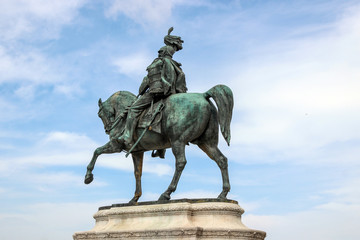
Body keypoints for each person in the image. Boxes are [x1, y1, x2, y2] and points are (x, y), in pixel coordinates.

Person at [118, 28, 187, 148]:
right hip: (172, 92)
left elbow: (145, 84)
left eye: (159, 52)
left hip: (157, 92)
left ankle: (127, 137)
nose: (158, 54)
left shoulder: (157, 64)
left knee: (133, 109)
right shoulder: (175, 65)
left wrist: (142, 91)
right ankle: (161, 149)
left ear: (162, 52)